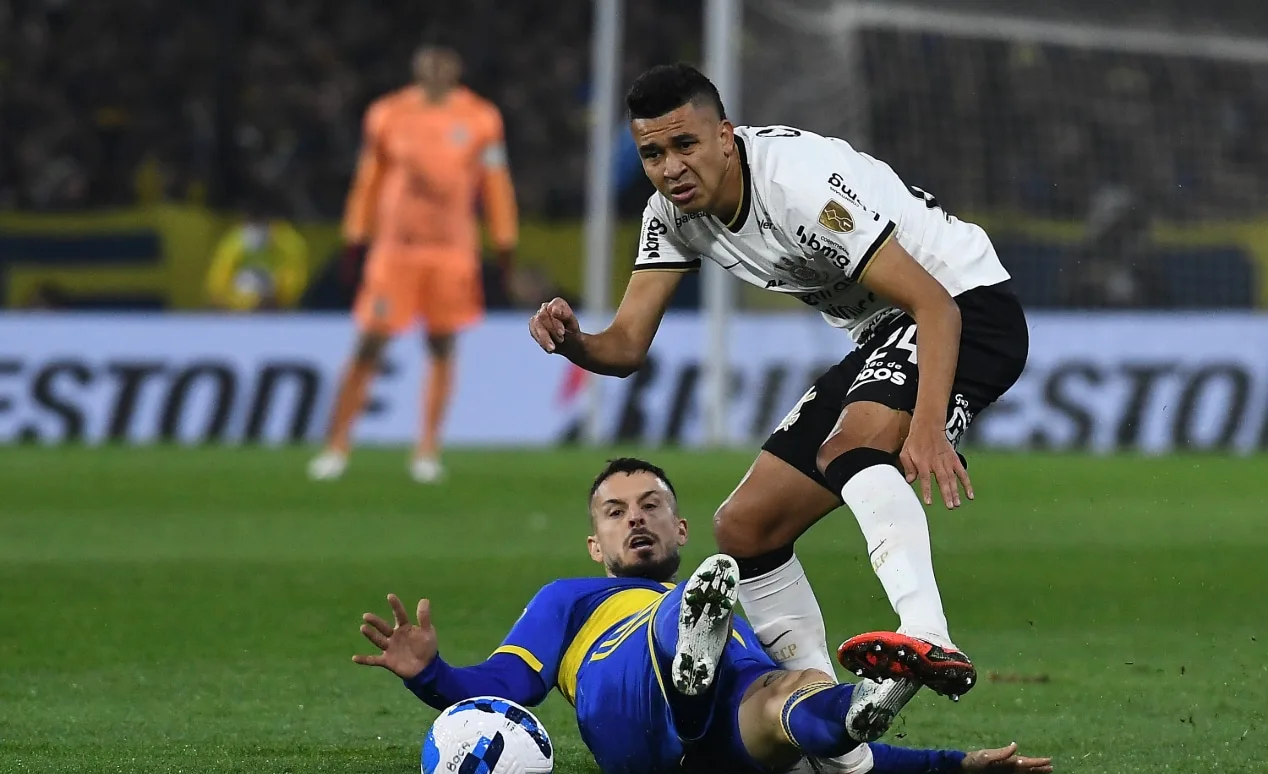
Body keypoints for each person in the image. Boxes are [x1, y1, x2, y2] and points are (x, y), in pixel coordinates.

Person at [527, 64, 1030, 713]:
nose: (671, 167)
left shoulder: (797, 184)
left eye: (686, 145)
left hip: (966, 308)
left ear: (726, 138)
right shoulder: (673, 216)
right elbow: (624, 347)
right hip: (887, 331)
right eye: (652, 154)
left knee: (852, 448)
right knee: (745, 529)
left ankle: (928, 635)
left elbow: (935, 306)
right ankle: (817, 712)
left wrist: (928, 424)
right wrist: (573, 341)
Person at [353, 458, 1053, 774]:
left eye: (651, 505)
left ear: (680, 524)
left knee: (792, 697)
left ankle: (870, 702)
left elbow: (843, 760)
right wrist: (433, 676)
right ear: (595, 546)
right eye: (616, 511)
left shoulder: (711, 593)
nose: (636, 519)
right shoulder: (572, 599)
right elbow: (508, 685)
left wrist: (955, 764)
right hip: (627, 712)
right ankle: (689, 662)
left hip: (716, 740)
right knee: (690, 608)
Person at [309, 45, 518, 484]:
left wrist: (504, 239)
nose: (436, 68)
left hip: (451, 252)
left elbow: (495, 183)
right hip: (395, 250)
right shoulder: (388, 114)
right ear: (416, 65)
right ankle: (337, 446)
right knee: (370, 342)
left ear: (456, 68)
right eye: (429, 60)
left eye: (445, 60)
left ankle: (427, 450)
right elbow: (369, 179)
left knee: (442, 344)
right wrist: (355, 235)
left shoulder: (481, 118)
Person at [205, 202, 309, 312]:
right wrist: (220, 298)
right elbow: (219, 274)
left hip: (274, 309)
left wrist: (280, 297)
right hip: (234, 308)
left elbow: (293, 278)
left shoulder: (288, 241)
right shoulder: (237, 238)